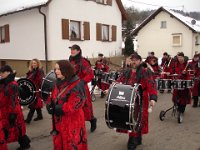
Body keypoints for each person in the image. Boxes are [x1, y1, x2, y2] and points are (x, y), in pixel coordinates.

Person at [115, 53, 157, 150]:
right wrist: (111, 89)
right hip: (128, 98)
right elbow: (119, 82)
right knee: (130, 119)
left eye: (136, 60)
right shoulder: (126, 72)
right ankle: (136, 137)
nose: (134, 61)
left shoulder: (146, 72)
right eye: (132, 59)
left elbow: (152, 85)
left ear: (140, 61)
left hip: (141, 100)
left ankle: (133, 140)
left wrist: (153, 98)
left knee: (138, 120)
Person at [46, 60, 88, 150]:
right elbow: (52, 96)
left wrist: (59, 108)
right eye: (55, 69)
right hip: (59, 122)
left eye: (59, 69)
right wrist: (49, 104)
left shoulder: (76, 84)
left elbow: (76, 104)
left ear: (66, 70)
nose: (56, 71)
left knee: (71, 144)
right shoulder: (57, 83)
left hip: (72, 122)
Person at [0, 65, 31, 150]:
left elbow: (13, 100)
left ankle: (25, 145)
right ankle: (25, 143)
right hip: (5, 110)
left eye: (3, 72)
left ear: (8, 72)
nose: (1, 74)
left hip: (12, 110)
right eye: (1, 72)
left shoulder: (12, 84)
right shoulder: (4, 82)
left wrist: (13, 113)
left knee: (18, 128)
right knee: (14, 128)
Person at [69, 44, 97, 132]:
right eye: (71, 49)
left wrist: (81, 82)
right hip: (71, 88)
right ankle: (77, 126)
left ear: (78, 51)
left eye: (74, 49)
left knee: (86, 108)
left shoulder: (83, 62)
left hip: (81, 88)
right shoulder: (70, 61)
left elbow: (90, 74)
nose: (72, 51)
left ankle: (92, 120)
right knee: (73, 107)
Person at [170, 52, 192, 123]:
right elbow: (173, 71)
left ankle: (181, 110)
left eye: (180, 57)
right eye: (178, 57)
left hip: (185, 82)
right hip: (177, 82)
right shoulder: (176, 64)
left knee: (184, 97)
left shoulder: (187, 64)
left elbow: (191, 72)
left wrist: (186, 74)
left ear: (183, 57)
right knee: (176, 96)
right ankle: (178, 108)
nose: (179, 59)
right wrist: (170, 74)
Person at [25, 59, 45, 124]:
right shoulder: (31, 71)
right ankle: (40, 116)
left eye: (35, 63)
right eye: (32, 63)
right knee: (36, 103)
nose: (33, 64)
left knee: (33, 105)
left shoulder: (39, 71)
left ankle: (28, 119)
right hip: (31, 89)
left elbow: (41, 81)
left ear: (38, 64)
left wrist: (39, 90)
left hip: (36, 90)